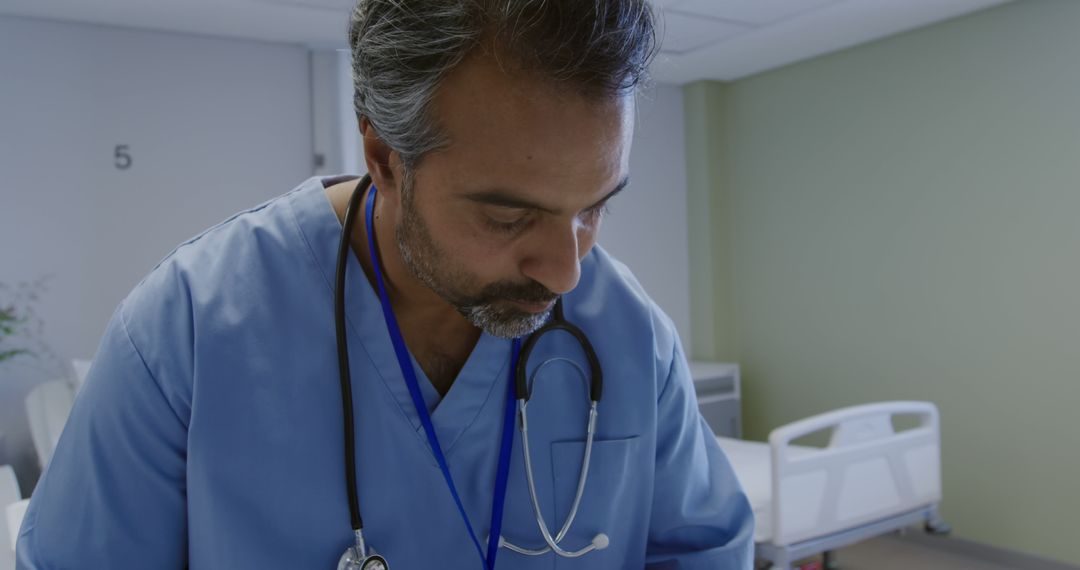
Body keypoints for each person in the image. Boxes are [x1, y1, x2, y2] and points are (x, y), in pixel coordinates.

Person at [16, 0, 753, 568]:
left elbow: (703, 548)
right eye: (506, 214)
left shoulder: (628, 334)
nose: (567, 271)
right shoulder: (184, 334)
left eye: (596, 206)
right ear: (384, 154)